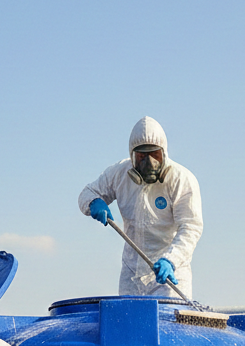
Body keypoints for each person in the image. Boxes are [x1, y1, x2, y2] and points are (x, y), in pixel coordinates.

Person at [78, 116, 203, 299]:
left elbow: (191, 227)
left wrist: (171, 260)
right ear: (132, 156)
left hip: (169, 276)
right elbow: (86, 193)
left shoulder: (181, 179)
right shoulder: (119, 174)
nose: (149, 163)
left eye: (155, 155)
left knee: (168, 324)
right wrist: (93, 202)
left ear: (164, 152)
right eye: (142, 156)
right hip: (132, 275)